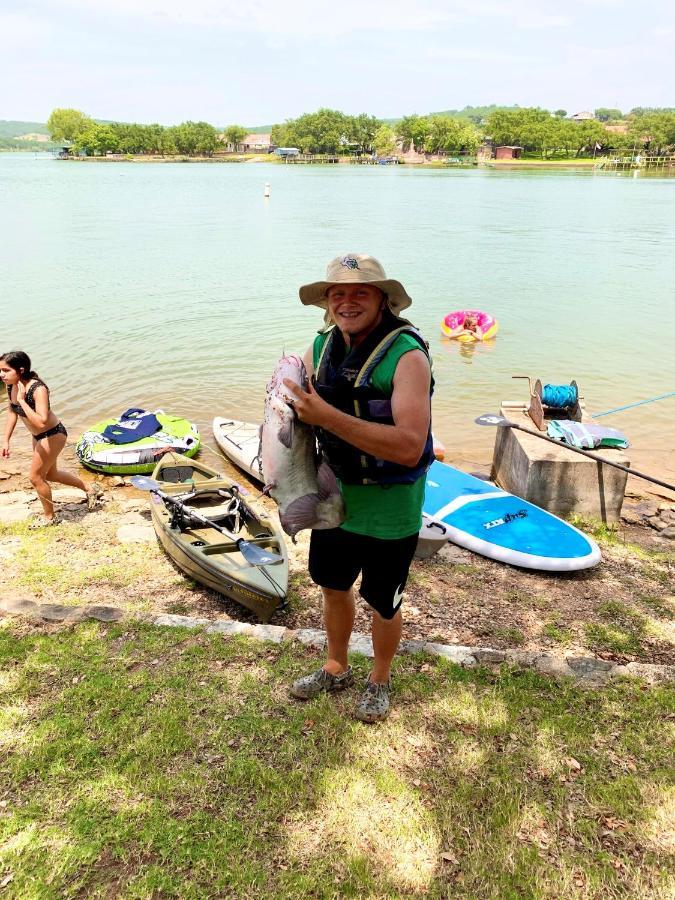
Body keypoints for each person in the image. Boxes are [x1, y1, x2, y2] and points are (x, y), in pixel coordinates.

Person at [284, 254, 434, 723]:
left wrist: (326, 416)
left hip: (391, 505)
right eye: (337, 293)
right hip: (334, 498)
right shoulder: (320, 345)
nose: (347, 301)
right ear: (327, 304)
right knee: (332, 587)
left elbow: (410, 447)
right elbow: (292, 402)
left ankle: (380, 678)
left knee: (384, 603)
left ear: (382, 299)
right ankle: (336, 664)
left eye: (359, 292)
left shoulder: (407, 357)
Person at [0, 350, 102, 526]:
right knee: (51, 474)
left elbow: (41, 422)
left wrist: (23, 400)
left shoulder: (37, 389)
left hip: (52, 434)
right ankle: (89, 489)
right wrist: (6, 440)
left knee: (35, 477)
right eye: (0, 370)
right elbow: (12, 412)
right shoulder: (11, 385)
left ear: (21, 370)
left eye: (5, 370)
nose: (1, 374)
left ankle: (49, 518)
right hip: (38, 436)